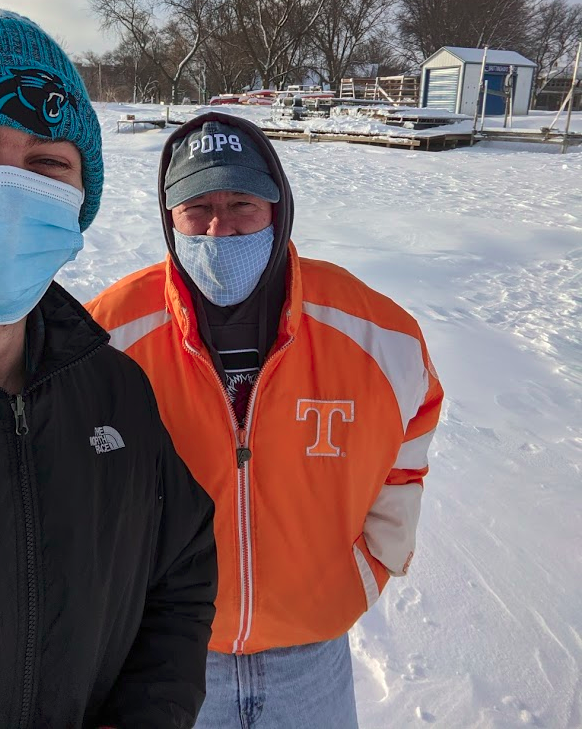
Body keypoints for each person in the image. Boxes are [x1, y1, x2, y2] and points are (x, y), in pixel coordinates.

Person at [0, 0, 217, 729]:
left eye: (48, 162)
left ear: (78, 204)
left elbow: (180, 571)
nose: (10, 186)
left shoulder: (116, 393)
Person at [86, 112, 444, 729]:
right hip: (169, 663)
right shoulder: (108, 339)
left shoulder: (374, 332)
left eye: (242, 203)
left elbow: (412, 432)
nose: (220, 229)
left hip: (313, 664)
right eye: (198, 208)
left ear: (278, 209)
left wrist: (368, 561)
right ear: (169, 217)